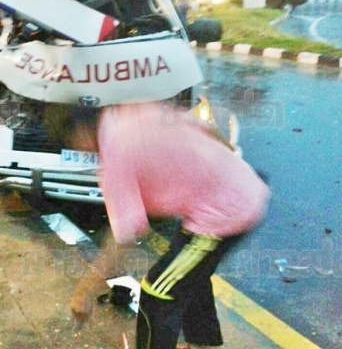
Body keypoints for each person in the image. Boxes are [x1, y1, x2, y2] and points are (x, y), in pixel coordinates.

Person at [68, 101, 271, 349]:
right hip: (242, 185)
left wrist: (85, 291)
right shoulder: (138, 112)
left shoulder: (114, 154)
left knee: (157, 291)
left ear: (81, 133)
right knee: (186, 270)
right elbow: (209, 129)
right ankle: (201, 342)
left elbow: (125, 238)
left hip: (223, 214)